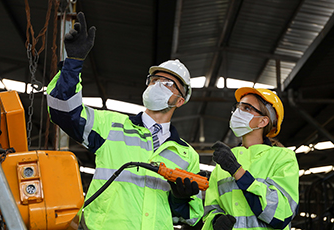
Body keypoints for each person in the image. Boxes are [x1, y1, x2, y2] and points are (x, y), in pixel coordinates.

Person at [46, 12, 204, 230]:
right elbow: (62, 110)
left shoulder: (188, 156)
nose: (157, 85)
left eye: (167, 83)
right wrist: (73, 63)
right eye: (154, 79)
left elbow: (191, 218)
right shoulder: (111, 125)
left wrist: (179, 199)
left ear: (180, 100)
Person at [202, 87, 299, 230]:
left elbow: (281, 214)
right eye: (237, 107)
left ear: (263, 121)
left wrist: (238, 172)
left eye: (247, 108)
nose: (238, 112)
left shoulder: (283, 158)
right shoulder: (225, 161)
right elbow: (210, 210)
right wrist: (215, 221)